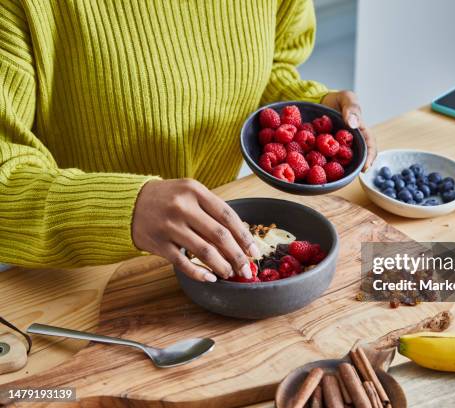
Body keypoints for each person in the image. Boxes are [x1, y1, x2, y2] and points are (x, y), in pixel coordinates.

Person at [0, 0, 376, 282]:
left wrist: (309, 120)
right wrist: (126, 209)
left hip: (222, 244)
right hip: (79, 278)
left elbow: (270, 64)